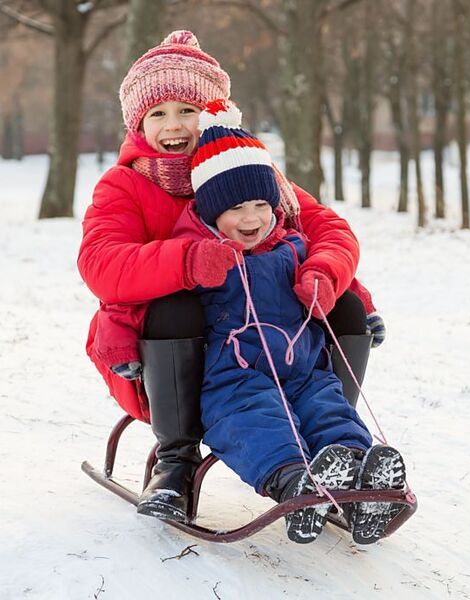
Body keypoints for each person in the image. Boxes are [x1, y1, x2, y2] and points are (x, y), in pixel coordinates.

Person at [77, 31, 388, 540]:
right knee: (176, 304)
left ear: (213, 110)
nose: (174, 125)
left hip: (274, 346)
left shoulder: (248, 170)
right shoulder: (125, 184)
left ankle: (334, 449)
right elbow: (101, 263)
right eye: (158, 114)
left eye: (187, 109)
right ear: (137, 123)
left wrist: (324, 273)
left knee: (345, 303)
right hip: (174, 354)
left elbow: (329, 230)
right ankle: (175, 460)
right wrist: (187, 259)